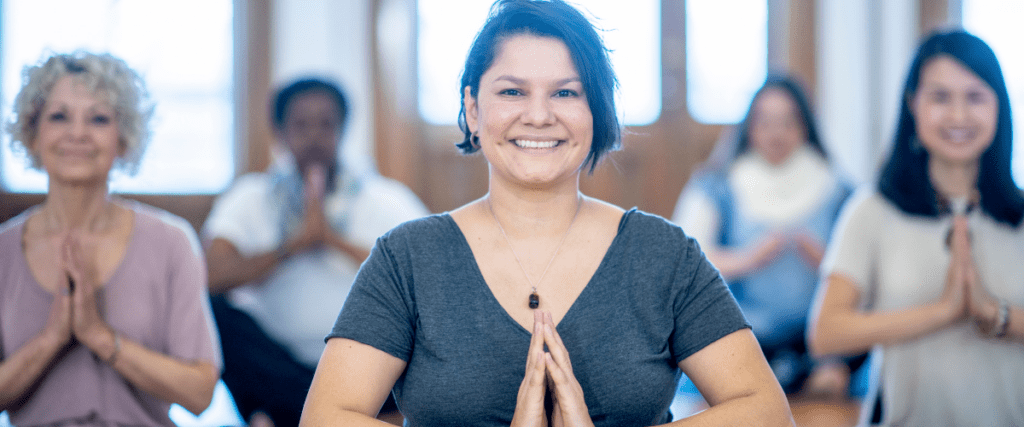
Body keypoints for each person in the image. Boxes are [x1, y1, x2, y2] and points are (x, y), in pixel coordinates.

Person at [301, 1, 794, 425]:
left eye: (566, 92)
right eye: (512, 92)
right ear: (473, 110)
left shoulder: (664, 254)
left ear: (596, 111)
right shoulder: (406, 258)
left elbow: (768, 413)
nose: (539, 115)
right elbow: (325, 417)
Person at [808, 30, 1024, 426]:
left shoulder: (1020, 214)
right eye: (940, 97)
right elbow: (826, 333)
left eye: (975, 96)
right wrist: (941, 312)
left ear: (999, 107)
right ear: (913, 105)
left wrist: (992, 314)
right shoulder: (873, 209)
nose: (958, 115)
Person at [0, 52, 221, 426]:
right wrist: (51, 339)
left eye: (99, 118)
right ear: (32, 134)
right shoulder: (3, 251)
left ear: (123, 140)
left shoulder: (172, 242)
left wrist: (100, 338)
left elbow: (200, 392)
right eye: (59, 116)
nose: (78, 133)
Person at [202, 78, 429, 426]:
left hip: (365, 369)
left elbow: (429, 278)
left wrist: (331, 240)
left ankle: (311, 415)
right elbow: (210, 276)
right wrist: (292, 246)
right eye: (300, 124)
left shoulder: (386, 199)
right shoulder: (250, 197)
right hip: (280, 367)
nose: (313, 136)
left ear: (342, 129)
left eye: (326, 124)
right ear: (279, 131)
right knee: (216, 312)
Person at [672, 75, 860, 396]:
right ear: (749, 127)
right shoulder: (717, 184)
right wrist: (747, 260)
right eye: (766, 122)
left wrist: (826, 261)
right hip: (743, 333)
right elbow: (682, 260)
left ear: (805, 126)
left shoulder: (837, 188)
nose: (777, 133)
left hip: (815, 338)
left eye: (788, 122)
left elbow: (864, 271)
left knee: (836, 375)